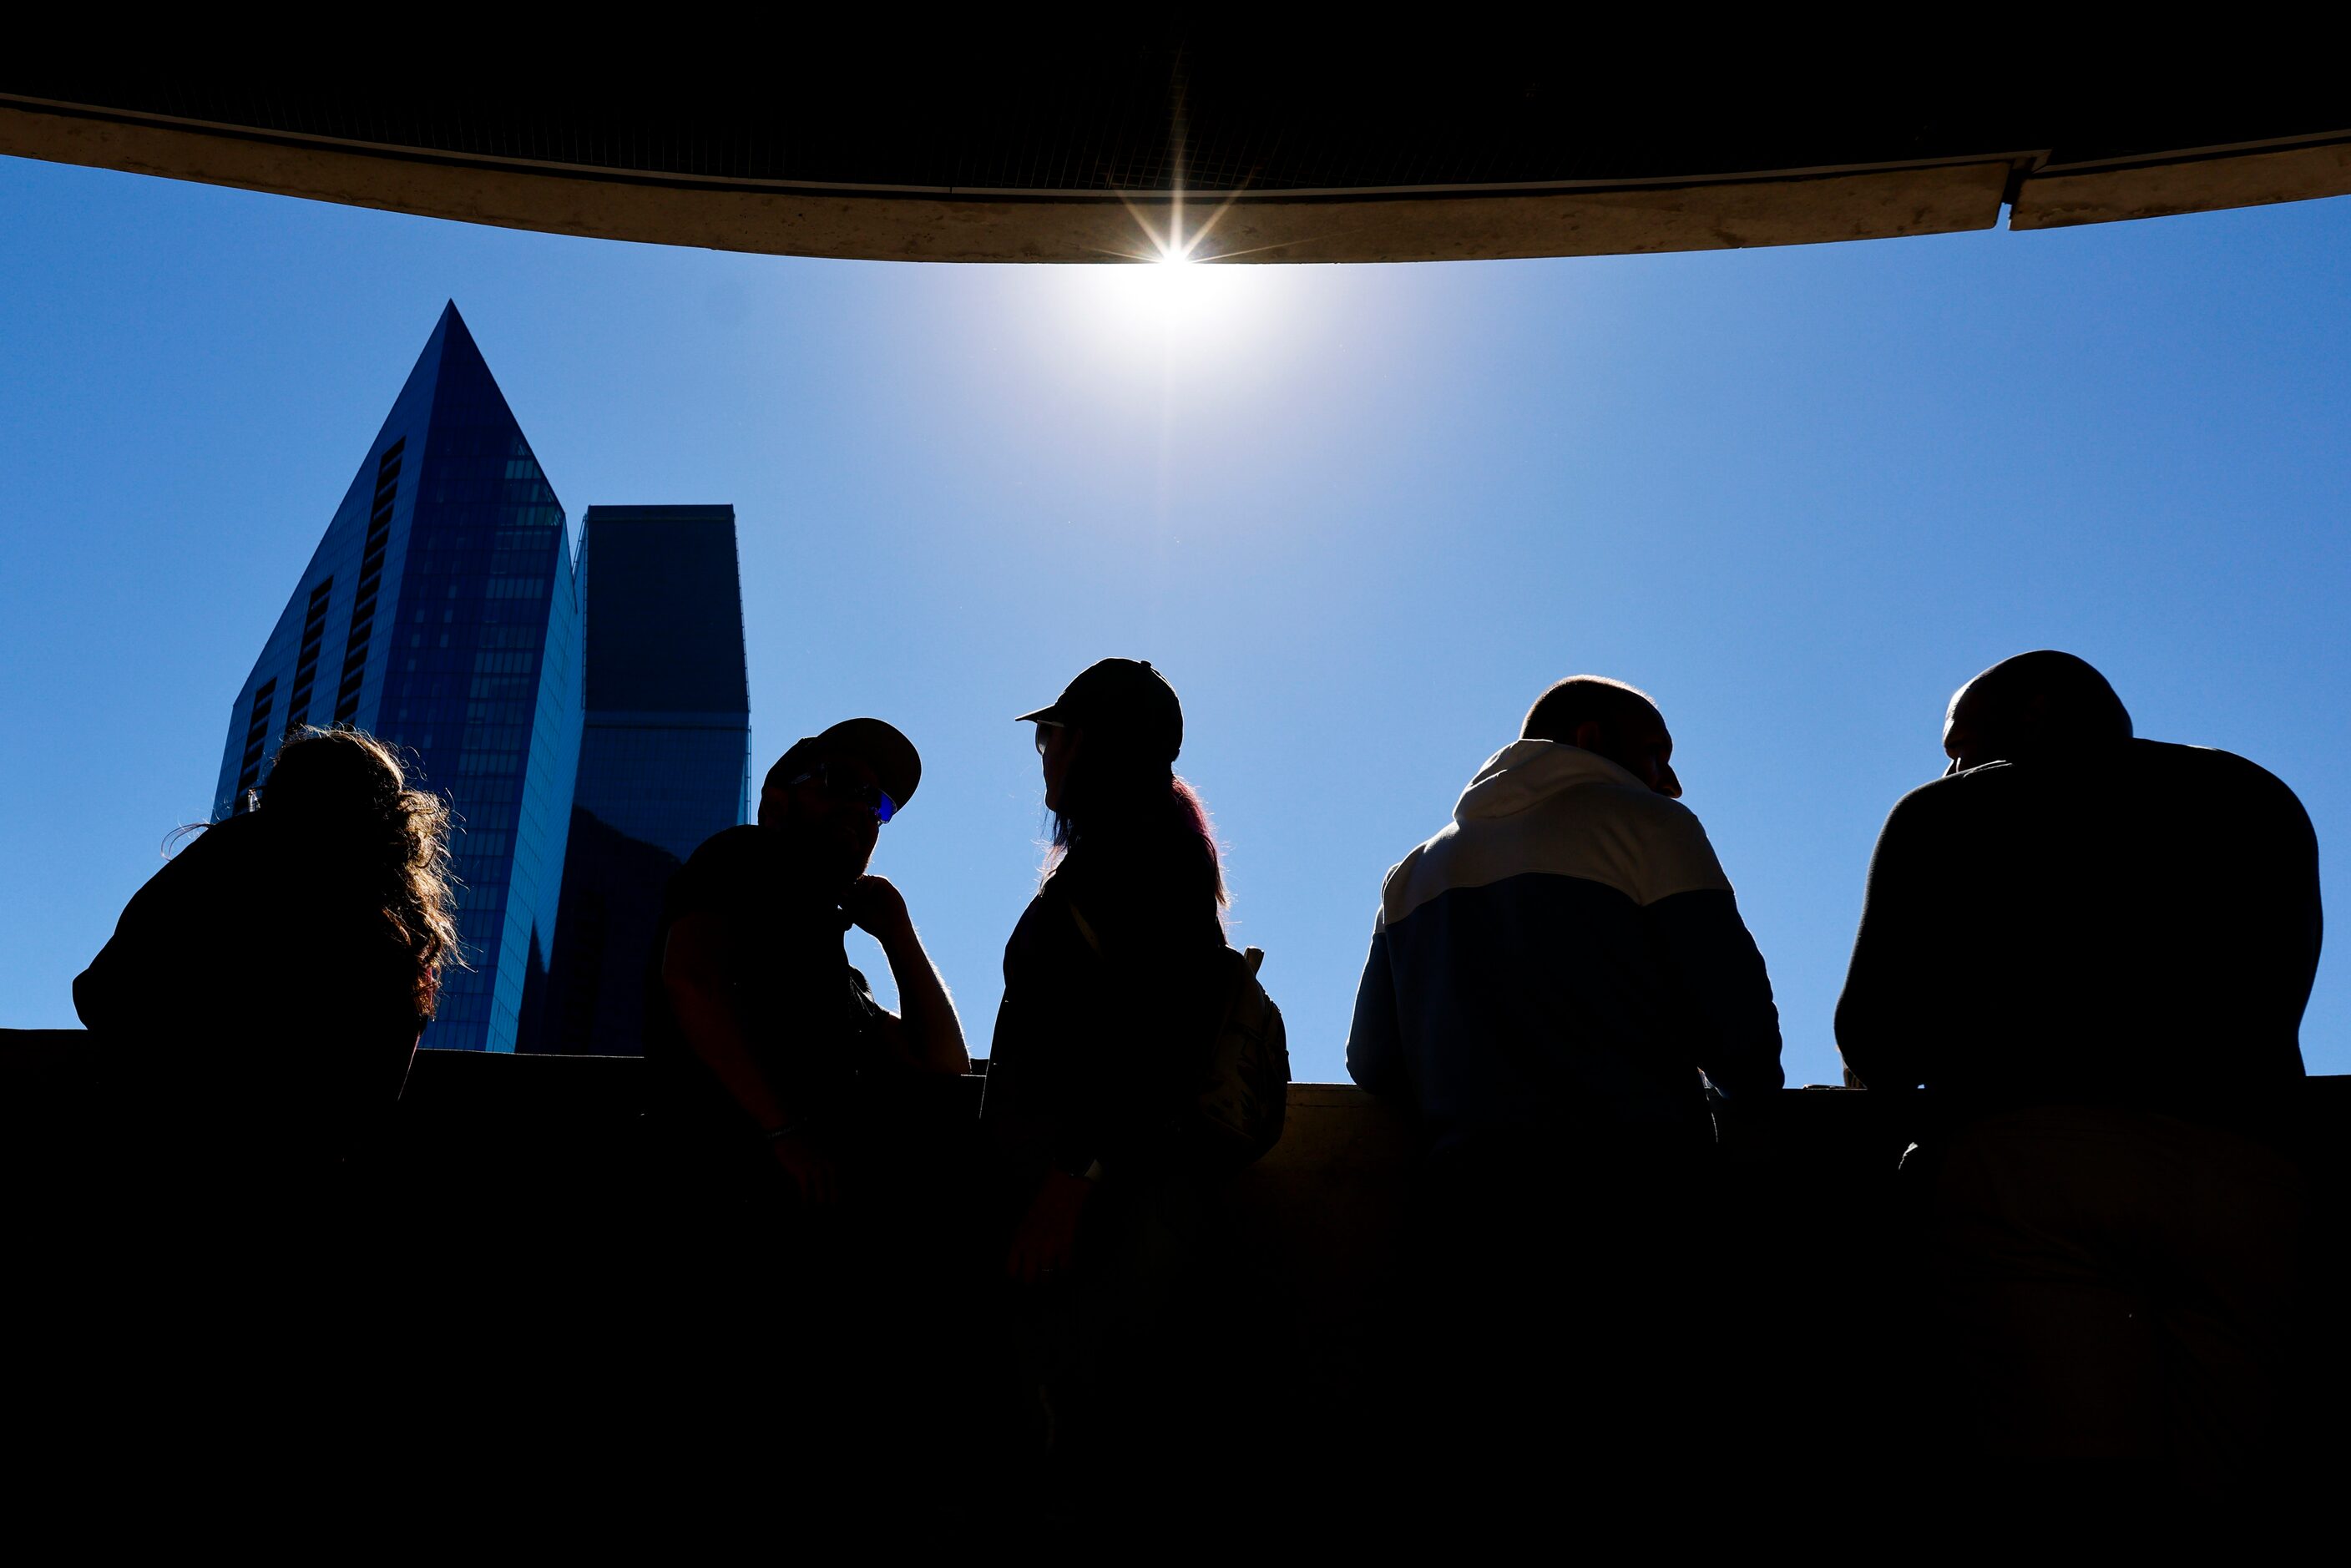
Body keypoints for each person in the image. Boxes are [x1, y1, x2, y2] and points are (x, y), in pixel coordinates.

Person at [1838, 651, 2322, 1517]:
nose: (1950, 764)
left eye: (1961, 741)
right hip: (2245, 1172)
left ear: (2030, 713)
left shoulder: (1946, 811)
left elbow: (1875, 1035)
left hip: (2030, 1165)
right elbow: (2285, 982)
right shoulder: (2258, 797)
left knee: (2071, 1482)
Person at [1343, 675, 1782, 1498]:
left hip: (1464, 1232)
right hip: (1638, 1224)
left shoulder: (1413, 874)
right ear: (1588, 740)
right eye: (1656, 754)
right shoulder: (1650, 825)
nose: (1672, 779)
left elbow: (1372, 1062)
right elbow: (1741, 1048)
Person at [980, 658, 1234, 1486]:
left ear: (1083, 742)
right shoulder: (1156, 847)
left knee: (1080, 1458)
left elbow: (1155, 1040)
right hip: (1098, 1203)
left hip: (1094, 1214)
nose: (1042, 756)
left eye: (1048, 736)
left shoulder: (1131, 857)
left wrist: (1070, 1180)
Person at [75, 725, 458, 1177]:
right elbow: (371, 1096)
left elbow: (102, 989)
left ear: (284, 799)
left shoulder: (235, 854)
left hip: (163, 1143)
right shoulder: (407, 932)